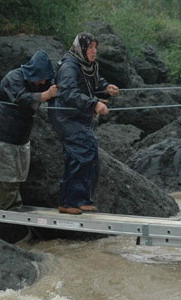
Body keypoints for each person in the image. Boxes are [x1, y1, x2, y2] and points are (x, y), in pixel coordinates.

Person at [0, 50, 57, 211]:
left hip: (20, 133)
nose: (42, 82)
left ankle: (0, 203)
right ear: (33, 72)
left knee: (17, 173)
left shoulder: (43, 81)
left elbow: (56, 91)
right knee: (5, 175)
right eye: (40, 79)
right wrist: (45, 95)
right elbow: (21, 98)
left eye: (45, 79)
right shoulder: (13, 78)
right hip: (1, 130)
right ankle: (9, 207)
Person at [49, 32, 119, 215]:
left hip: (78, 115)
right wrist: (94, 104)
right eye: (90, 48)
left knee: (85, 153)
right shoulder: (69, 67)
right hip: (65, 117)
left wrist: (105, 89)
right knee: (83, 152)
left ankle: (81, 199)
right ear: (81, 48)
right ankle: (67, 202)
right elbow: (69, 93)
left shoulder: (87, 65)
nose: (94, 51)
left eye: (95, 47)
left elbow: (94, 83)